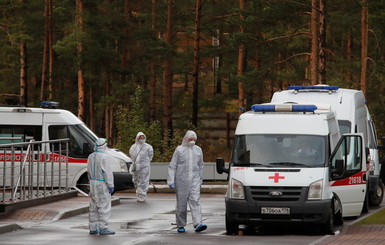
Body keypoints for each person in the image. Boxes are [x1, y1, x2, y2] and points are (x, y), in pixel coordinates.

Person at [167, 130, 207, 233]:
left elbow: (201, 165)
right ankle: (181, 224)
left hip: (195, 180)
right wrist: (171, 180)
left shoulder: (198, 150)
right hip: (181, 180)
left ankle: (198, 223)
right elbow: (172, 166)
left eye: (194, 139)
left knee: (195, 201)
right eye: (190, 139)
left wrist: (200, 178)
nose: (192, 141)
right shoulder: (179, 150)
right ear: (186, 139)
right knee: (181, 203)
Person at [87, 138, 115, 235]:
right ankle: (103, 227)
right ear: (104, 145)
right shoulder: (104, 157)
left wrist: (91, 181)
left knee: (93, 206)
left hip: (93, 182)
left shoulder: (91, 156)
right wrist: (110, 185)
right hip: (101, 183)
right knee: (104, 206)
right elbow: (107, 172)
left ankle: (93, 227)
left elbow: (88, 171)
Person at [129, 132, 154, 203]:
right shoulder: (133, 147)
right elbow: (131, 155)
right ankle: (139, 193)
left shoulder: (148, 147)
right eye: (140, 138)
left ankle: (142, 196)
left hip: (145, 166)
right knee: (135, 180)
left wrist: (145, 162)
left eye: (143, 137)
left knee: (144, 181)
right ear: (137, 138)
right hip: (136, 166)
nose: (142, 139)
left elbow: (150, 156)